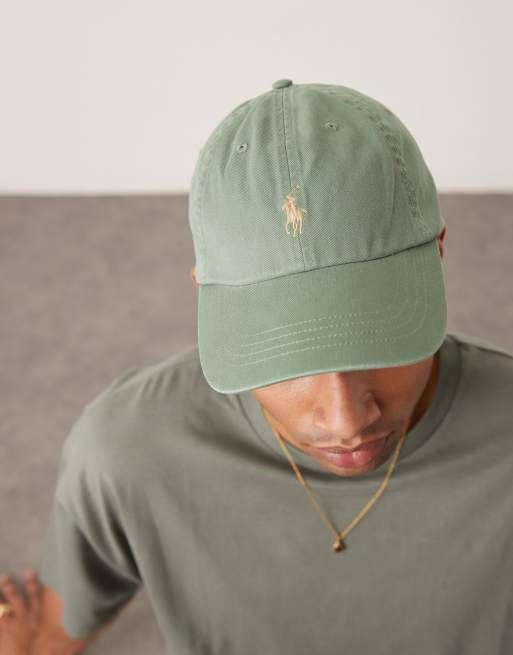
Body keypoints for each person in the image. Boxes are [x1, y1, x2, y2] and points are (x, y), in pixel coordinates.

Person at [2, 79, 513, 655]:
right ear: (206, 292)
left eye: (376, 339)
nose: (346, 420)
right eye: (286, 353)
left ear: (438, 250)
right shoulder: (125, 456)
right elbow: (50, 632)